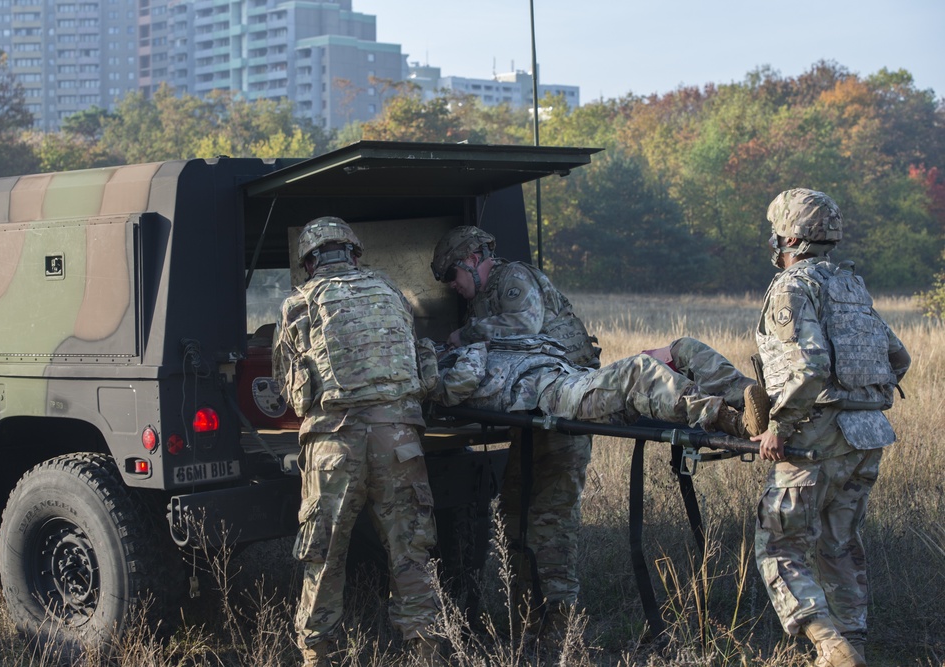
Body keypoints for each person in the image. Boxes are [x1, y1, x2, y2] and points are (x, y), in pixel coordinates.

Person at [749, 189, 910, 667]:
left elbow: (810, 367)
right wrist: (860, 400)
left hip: (815, 435)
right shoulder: (851, 286)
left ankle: (829, 644)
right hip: (867, 436)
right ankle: (854, 643)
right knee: (839, 543)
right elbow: (898, 358)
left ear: (790, 236)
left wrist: (779, 424)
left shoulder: (792, 286)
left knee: (779, 544)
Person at [274, 217, 441, 666]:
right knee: (411, 549)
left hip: (335, 447)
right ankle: (425, 652)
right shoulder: (391, 293)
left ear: (310, 262)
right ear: (353, 253)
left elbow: (295, 396)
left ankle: (318, 656)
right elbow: (421, 373)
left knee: (324, 555)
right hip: (400, 440)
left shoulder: (298, 305)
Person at [430, 226, 601, 642]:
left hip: (564, 409)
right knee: (514, 511)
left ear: (472, 259)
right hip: (532, 415)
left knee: (551, 520)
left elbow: (525, 326)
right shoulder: (482, 303)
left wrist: (462, 337)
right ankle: (530, 622)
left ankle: (559, 632)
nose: (453, 285)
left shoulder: (513, 279)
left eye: (453, 274)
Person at [430, 335, 769, 438]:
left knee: (683, 348)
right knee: (639, 371)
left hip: (575, 380)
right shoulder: (450, 369)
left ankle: (754, 399)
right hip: (559, 399)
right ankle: (732, 421)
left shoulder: (486, 346)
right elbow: (459, 386)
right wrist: (463, 347)